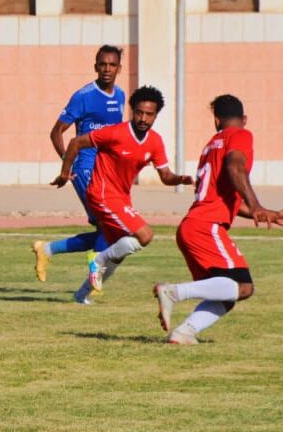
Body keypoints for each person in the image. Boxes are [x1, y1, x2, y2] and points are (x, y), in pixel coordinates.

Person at [153, 95, 283, 344]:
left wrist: (270, 213)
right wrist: (256, 204)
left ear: (216, 120)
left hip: (192, 226)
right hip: (206, 226)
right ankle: (173, 292)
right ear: (244, 119)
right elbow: (235, 167)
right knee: (243, 286)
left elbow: (228, 198)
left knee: (226, 295)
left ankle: (183, 333)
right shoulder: (240, 135)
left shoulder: (210, 145)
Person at [51, 85, 192, 304]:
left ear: (156, 115)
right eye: (139, 112)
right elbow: (76, 142)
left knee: (120, 251)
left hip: (121, 198)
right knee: (145, 236)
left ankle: (81, 296)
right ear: (132, 111)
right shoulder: (115, 132)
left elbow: (165, 175)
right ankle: (97, 259)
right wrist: (64, 172)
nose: (143, 118)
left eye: (149, 114)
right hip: (101, 194)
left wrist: (180, 179)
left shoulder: (154, 141)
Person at [33, 45, 125, 283]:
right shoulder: (83, 96)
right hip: (85, 169)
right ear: (95, 67)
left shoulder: (120, 96)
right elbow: (56, 133)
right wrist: (67, 164)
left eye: (112, 65)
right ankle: (95, 269)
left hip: (108, 173)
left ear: (119, 68)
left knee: (107, 229)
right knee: (109, 222)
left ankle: (47, 250)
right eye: (102, 64)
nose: (107, 69)